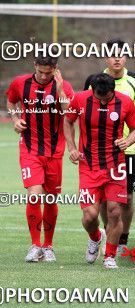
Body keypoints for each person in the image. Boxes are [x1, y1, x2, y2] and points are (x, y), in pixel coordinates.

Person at [63, 73, 135, 269]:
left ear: (113, 91)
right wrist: (71, 148)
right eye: (99, 98)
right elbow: (68, 121)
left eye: (107, 98)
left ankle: (110, 256)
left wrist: (128, 141)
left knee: (114, 212)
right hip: (89, 166)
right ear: (93, 91)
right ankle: (95, 237)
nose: (103, 102)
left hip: (116, 166)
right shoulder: (80, 99)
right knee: (89, 216)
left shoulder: (126, 102)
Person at [6, 53, 74, 262]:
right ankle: (35, 245)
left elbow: (68, 113)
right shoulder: (20, 83)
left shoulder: (64, 86)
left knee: (50, 198)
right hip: (30, 147)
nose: (44, 77)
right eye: (40, 72)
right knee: (35, 195)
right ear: (34, 65)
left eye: (49, 72)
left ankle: (48, 246)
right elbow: (11, 102)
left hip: (54, 150)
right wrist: (15, 118)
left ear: (55, 68)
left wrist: (61, 89)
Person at [83, 38, 135, 254]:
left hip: (126, 150)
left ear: (127, 57)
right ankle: (107, 232)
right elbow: (84, 109)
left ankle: (122, 241)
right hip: (96, 153)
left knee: (127, 199)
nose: (117, 58)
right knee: (102, 200)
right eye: (112, 54)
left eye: (121, 54)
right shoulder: (93, 81)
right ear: (106, 57)